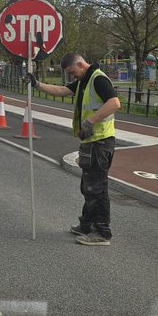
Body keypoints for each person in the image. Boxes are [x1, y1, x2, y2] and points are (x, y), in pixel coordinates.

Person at [27, 52, 121, 246]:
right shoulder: (84, 80)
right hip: (91, 141)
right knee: (88, 185)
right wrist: (37, 84)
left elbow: (114, 103)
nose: (72, 76)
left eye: (72, 72)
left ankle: (102, 232)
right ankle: (87, 224)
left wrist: (90, 121)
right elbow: (62, 90)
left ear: (80, 64)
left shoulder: (98, 79)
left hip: (100, 141)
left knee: (96, 188)